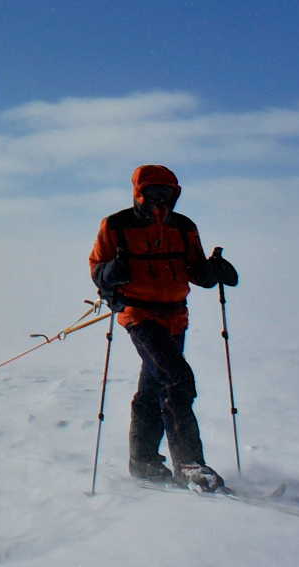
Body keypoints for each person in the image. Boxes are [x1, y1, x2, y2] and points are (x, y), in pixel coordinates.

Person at [88, 164, 240, 491]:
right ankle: (189, 464)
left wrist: (215, 272)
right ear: (139, 193)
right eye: (153, 192)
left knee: (155, 386)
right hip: (138, 314)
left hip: (176, 317)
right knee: (177, 378)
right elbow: (97, 270)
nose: (160, 199)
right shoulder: (115, 225)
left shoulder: (183, 227)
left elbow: (196, 271)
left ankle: (143, 462)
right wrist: (110, 273)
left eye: (166, 192)